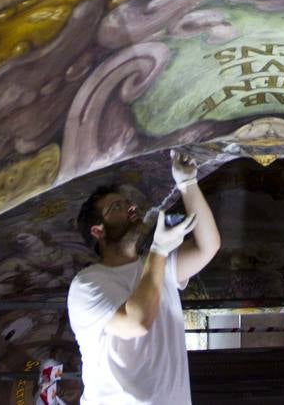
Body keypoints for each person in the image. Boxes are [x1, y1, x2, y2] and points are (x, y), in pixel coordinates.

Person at [68, 150, 221, 404]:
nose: (130, 207)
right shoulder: (87, 284)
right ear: (98, 230)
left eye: (128, 203)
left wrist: (187, 183)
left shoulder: (155, 265)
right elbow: (136, 322)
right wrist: (159, 250)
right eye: (117, 206)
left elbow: (208, 246)